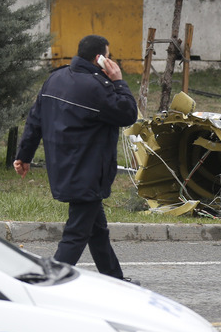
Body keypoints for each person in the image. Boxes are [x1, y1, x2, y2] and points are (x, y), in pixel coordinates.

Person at [13, 34, 139, 281]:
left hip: (65, 168)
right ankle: (48, 283)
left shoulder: (55, 79)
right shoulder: (96, 88)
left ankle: (115, 280)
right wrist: (118, 81)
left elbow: (35, 119)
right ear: (99, 58)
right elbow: (127, 113)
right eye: (108, 56)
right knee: (76, 234)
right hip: (88, 171)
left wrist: (24, 155)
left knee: (97, 230)